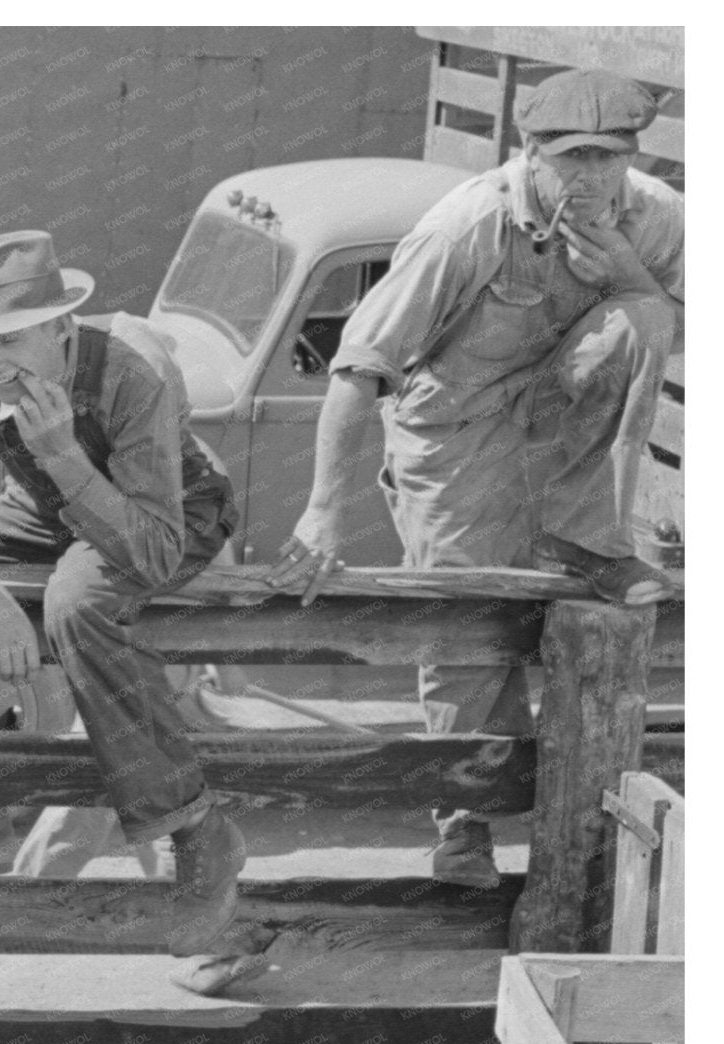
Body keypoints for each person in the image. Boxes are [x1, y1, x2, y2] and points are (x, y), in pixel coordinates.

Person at [268, 68, 683, 888]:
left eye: (612, 156)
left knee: (645, 315)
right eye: (575, 157)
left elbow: (675, 326)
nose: (595, 176)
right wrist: (322, 512)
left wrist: (635, 278)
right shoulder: (466, 226)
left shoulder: (657, 216)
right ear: (530, 152)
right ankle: (464, 823)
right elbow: (358, 367)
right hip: (452, 433)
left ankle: (592, 538)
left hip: (561, 426)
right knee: (467, 624)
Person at [0, 230, 259, 996]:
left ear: (61, 329)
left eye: (12, 337)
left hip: (166, 512)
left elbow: (151, 549)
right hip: (45, 507)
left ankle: (200, 832)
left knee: (81, 603)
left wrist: (67, 457)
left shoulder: (129, 376)